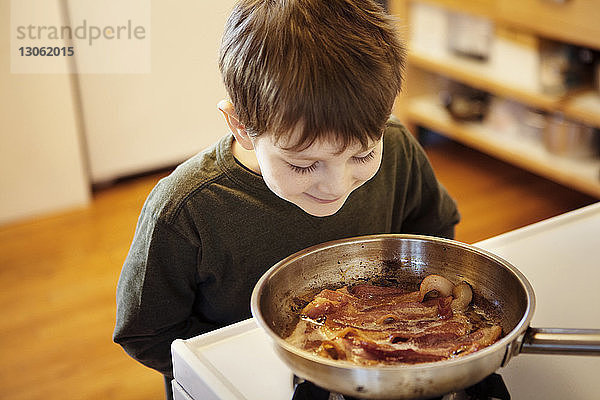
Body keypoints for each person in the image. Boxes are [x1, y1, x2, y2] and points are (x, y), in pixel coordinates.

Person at [113, 0, 460, 398]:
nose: (336, 185)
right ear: (241, 127)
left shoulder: (398, 147)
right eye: (304, 164)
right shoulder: (185, 210)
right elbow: (146, 332)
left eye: (362, 154)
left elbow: (435, 237)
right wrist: (258, 363)